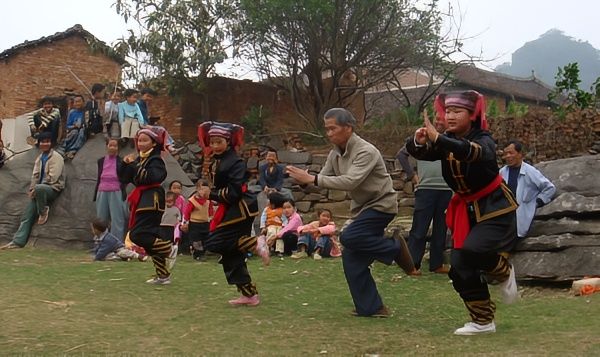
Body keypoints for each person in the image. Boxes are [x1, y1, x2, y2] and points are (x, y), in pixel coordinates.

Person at [406, 90, 519, 335]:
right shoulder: (444, 139)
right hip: (464, 209)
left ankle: (503, 270)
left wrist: (440, 139)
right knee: (458, 267)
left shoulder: (484, 138)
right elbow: (420, 152)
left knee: (473, 250)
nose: (451, 116)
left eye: (457, 111)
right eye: (448, 111)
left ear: (472, 114)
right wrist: (419, 139)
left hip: (494, 207)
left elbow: (472, 152)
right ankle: (483, 321)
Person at [286, 108, 416, 318]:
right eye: (326, 129)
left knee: (349, 236)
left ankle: (394, 246)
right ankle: (372, 308)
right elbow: (321, 180)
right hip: (363, 208)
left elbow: (351, 181)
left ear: (348, 128)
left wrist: (313, 179)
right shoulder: (334, 153)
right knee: (352, 259)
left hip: (382, 205)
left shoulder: (366, 151)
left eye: (332, 128)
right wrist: (303, 182)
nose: (328, 133)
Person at [197, 121, 270, 306]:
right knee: (231, 253)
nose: (214, 146)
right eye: (212, 142)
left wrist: (211, 195)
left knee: (216, 242)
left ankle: (256, 242)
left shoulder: (235, 161)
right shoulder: (217, 159)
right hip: (230, 207)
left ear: (228, 142)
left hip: (240, 208)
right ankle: (249, 295)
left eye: (218, 142)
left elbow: (234, 191)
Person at [397, 119, 453, 274]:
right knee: (419, 229)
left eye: (443, 119)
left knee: (441, 229)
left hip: (447, 190)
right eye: (437, 119)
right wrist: (412, 175)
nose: (440, 122)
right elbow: (402, 155)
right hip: (426, 189)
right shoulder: (423, 138)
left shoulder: (451, 140)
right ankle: (412, 264)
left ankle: (436, 264)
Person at [120, 126, 174, 284]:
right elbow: (125, 178)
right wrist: (125, 164)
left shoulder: (156, 160)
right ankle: (163, 275)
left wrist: (134, 166)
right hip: (142, 199)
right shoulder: (140, 159)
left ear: (154, 143)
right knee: (150, 238)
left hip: (152, 199)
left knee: (138, 235)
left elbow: (152, 177)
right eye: (139, 141)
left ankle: (169, 248)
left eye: (145, 141)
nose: (141, 144)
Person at [1, 132, 65, 250]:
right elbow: (35, 176)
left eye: (47, 141)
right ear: (39, 143)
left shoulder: (57, 157)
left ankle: (43, 210)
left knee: (40, 188)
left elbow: (54, 177)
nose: (45, 144)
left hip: (53, 188)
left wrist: (37, 188)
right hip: (39, 190)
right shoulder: (40, 158)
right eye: (43, 141)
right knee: (27, 215)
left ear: (51, 143)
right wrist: (32, 189)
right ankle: (18, 241)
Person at [500, 140, 556, 238]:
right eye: (505, 154)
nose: (508, 156)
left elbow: (550, 188)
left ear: (520, 154)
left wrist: (538, 202)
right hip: (505, 214)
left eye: (511, 153)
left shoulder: (530, 171)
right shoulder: (502, 172)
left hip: (521, 215)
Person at [94, 138, 128, 241]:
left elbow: (125, 177)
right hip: (102, 190)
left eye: (115, 146)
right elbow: (99, 177)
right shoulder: (101, 161)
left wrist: (126, 163)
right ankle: (100, 242)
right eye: (110, 145)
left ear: (118, 148)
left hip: (116, 191)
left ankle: (116, 244)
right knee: (101, 219)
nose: (112, 148)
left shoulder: (122, 161)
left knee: (117, 219)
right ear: (107, 146)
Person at [181, 179, 214, 260]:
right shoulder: (192, 201)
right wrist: (186, 222)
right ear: (197, 189)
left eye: (207, 189)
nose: (204, 192)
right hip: (195, 223)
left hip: (205, 223)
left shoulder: (208, 201)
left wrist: (211, 218)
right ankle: (198, 254)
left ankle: (202, 253)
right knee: (196, 240)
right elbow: (187, 212)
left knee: (205, 238)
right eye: (202, 189)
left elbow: (210, 210)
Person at [260, 191, 288, 257]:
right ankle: (268, 249)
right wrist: (263, 227)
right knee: (271, 232)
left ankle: (279, 250)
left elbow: (284, 220)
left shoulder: (281, 210)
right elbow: (263, 218)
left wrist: (284, 226)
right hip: (270, 226)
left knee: (280, 236)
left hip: (279, 226)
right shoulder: (266, 209)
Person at [61, 95, 87, 159]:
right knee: (74, 132)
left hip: (83, 130)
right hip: (73, 131)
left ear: (83, 102)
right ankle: (66, 149)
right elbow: (67, 126)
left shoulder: (86, 112)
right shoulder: (72, 112)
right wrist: (74, 126)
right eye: (76, 102)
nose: (77, 103)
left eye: (79, 101)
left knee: (81, 131)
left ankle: (73, 150)